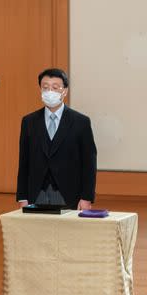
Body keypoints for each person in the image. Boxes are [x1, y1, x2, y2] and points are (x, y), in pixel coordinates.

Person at [16, 68, 97, 210]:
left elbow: (89, 164)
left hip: (70, 194)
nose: (49, 92)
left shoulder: (81, 122)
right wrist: (22, 197)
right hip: (37, 194)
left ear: (64, 91)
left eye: (55, 87)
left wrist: (87, 197)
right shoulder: (29, 122)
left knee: (68, 232)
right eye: (45, 87)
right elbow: (24, 162)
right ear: (40, 90)